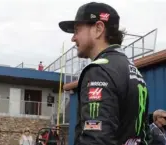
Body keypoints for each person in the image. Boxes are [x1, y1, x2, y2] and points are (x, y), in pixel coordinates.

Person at [59, 2, 151, 145]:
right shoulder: (133, 70)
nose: (73, 38)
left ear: (98, 28)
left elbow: (96, 140)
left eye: (77, 30)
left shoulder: (98, 71)